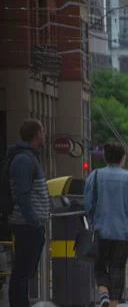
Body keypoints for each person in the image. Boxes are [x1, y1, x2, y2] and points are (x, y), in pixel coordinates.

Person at [85, 143, 128, 307]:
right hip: (122, 233)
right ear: (123, 158)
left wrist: (92, 222)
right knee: (118, 268)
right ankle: (113, 303)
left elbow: (88, 204)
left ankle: (103, 293)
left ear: (105, 157)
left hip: (100, 231)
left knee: (99, 266)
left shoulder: (95, 176)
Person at [6, 119, 50, 307]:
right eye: (43, 131)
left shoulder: (29, 157)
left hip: (30, 223)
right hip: (27, 225)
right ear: (37, 134)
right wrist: (33, 220)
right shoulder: (24, 159)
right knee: (22, 271)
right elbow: (23, 194)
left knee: (25, 270)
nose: (45, 135)